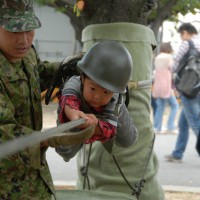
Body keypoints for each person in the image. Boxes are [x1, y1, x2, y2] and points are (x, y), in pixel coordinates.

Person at [0, 0, 89, 199]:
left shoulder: (27, 54)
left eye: (29, 30)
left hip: (32, 173)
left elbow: (36, 76)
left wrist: (68, 66)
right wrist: (48, 137)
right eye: (14, 31)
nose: (23, 40)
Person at [55, 40, 138, 159]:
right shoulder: (73, 84)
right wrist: (73, 116)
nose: (97, 97)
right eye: (93, 88)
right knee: (65, 151)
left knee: (128, 140)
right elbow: (69, 102)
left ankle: (119, 109)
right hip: (76, 113)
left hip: (104, 114)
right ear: (82, 78)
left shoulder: (114, 97)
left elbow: (109, 129)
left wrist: (96, 126)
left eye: (105, 91)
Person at [166, 23, 200, 163]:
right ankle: (177, 154)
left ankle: (177, 154)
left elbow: (175, 65)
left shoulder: (187, 44)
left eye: (181, 34)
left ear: (185, 32)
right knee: (184, 124)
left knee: (195, 123)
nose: (181, 37)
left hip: (188, 89)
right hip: (197, 87)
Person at [152, 42, 179, 134]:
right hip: (166, 87)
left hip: (158, 87)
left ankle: (156, 127)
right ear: (168, 49)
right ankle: (170, 126)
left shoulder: (157, 58)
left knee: (160, 107)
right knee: (175, 105)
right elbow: (174, 70)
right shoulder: (168, 57)